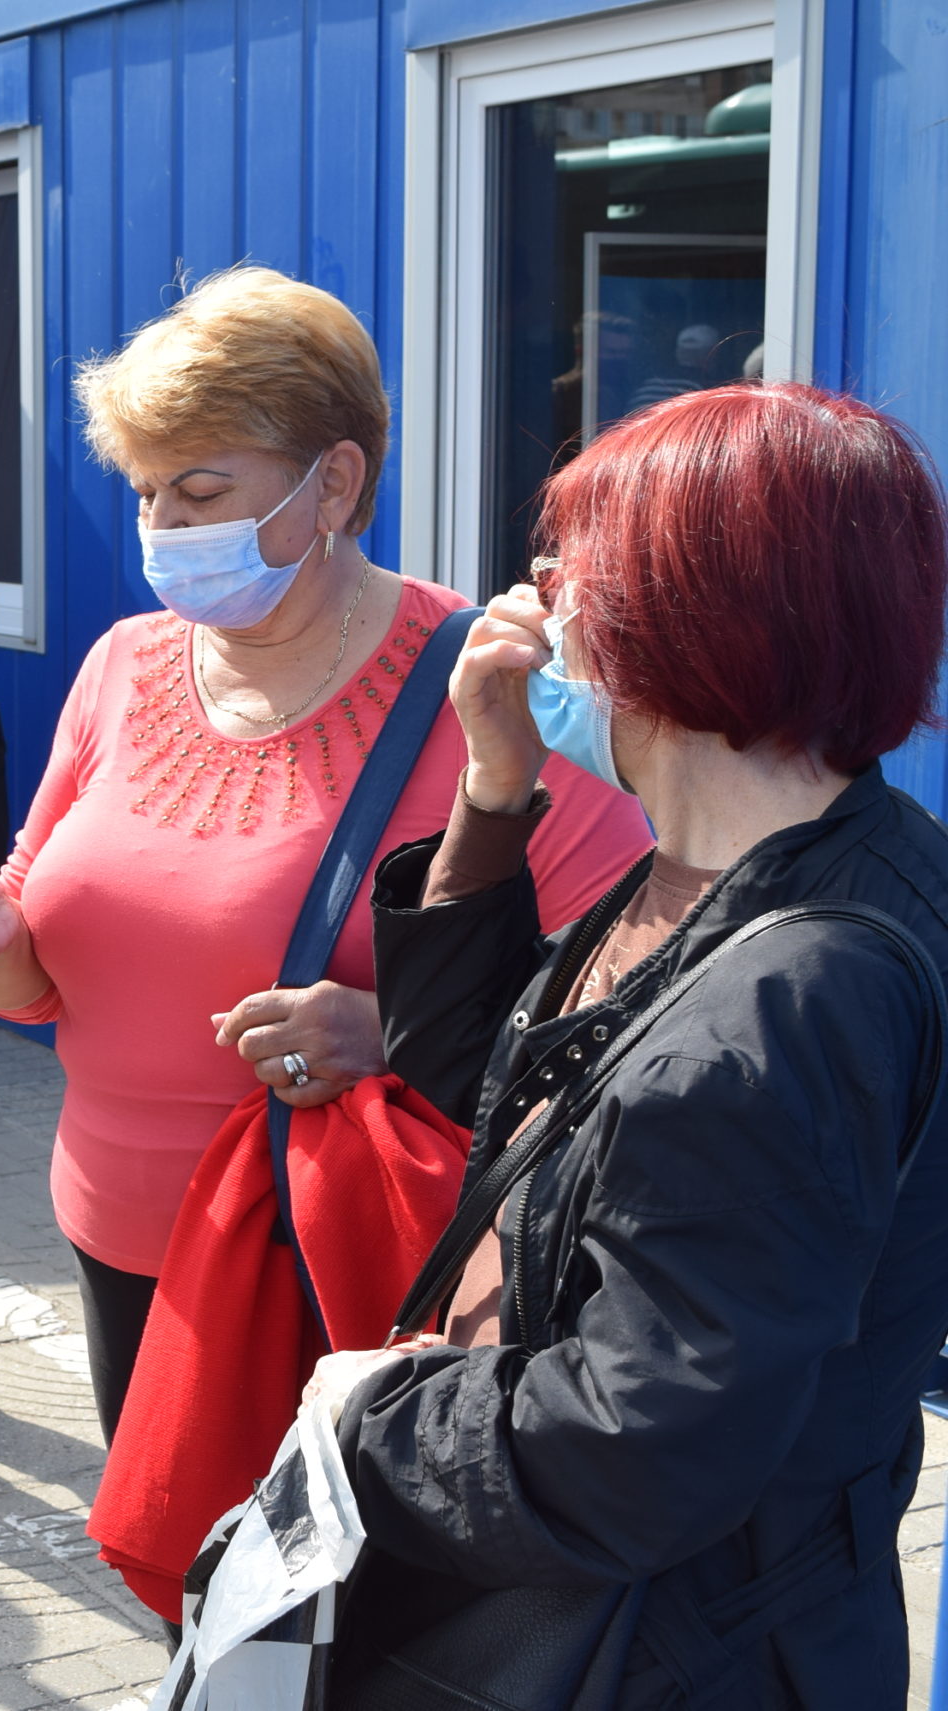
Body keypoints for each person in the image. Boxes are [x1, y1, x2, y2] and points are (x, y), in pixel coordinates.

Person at [0, 266, 651, 1445]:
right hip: (118, 1241)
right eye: (144, 494)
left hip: (338, 1264)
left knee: (331, 1626)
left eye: (197, 490)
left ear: (332, 479)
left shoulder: (486, 687)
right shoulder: (123, 665)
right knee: (189, 1611)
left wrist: (391, 1031)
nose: (162, 532)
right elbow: (39, 963)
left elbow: (626, 1008)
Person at [302, 382, 948, 1708]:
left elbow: (639, 1442)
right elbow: (503, 1085)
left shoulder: (787, 998)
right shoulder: (751, 858)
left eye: (575, 568)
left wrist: (374, 1417)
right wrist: (494, 789)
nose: (537, 597)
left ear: (697, 616)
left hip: (649, 1643)